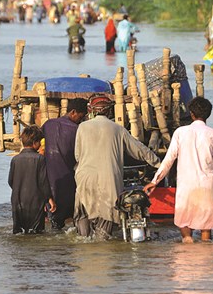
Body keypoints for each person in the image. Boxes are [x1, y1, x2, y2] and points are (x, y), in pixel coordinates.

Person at [73, 94, 161, 239]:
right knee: (106, 216)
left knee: (83, 212)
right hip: (109, 179)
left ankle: (84, 240)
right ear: (109, 111)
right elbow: (140, 150)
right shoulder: (117, 129)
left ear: (92, 111)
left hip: (85, 177)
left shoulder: (82, 127)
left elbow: (77, 155)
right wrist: (159, 164)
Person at [143, 97, 213, 243]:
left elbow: (169, 160)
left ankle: (187, 246)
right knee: (206, 232)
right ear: (208, 114)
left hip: (187, 186)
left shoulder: (181, 132)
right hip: (208, 186)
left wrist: (155, 181)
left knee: (185, 227)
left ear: (191, 114)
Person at [41, 98, 88, 230]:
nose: (81, 119)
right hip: (68, 180)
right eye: (81, 116)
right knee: (72, 217)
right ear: (73, 112)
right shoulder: (77, 130)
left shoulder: (48, 124)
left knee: (55, 220)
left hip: (49, 180)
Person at [8, 125, 56, 234]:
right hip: (35, 202)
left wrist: (19, 190)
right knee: (36, 233)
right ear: (34, 142)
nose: (39, 145)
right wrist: (49, 199)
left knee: (19, 233)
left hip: (17, 202)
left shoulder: (15, 159)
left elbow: (10, 181)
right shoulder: (40, 159)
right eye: (39, 142)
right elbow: (43, 182)